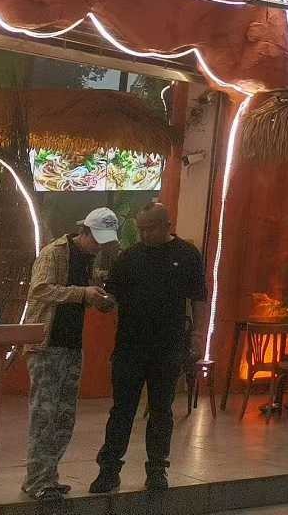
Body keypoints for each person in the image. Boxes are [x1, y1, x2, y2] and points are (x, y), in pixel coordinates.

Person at [90, 202, 205, 494]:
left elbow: (198, 298)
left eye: (150, 229)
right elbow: (112, 296)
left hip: (168, 345)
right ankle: (109, 470)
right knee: (122, 410)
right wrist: (103, 301)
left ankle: (157, 469)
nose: (144, 234)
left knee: (161, 410)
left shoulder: (187, 255)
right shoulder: (129, 257)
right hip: (130, 345)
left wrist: (198, 334)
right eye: (140, 229)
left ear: (167, 225)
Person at [21, 208, 119, 501]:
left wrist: (97, 299)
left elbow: (81, 294)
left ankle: (47, 477)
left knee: (64, 417)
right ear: (84, 231)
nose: (99, 246)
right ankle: (38, 480)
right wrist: (83, 293)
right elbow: (40, 290)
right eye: (96, 239)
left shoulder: (90, 259)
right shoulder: (54, 253)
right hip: (46, 345)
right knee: (44, 415)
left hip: (72, 345)